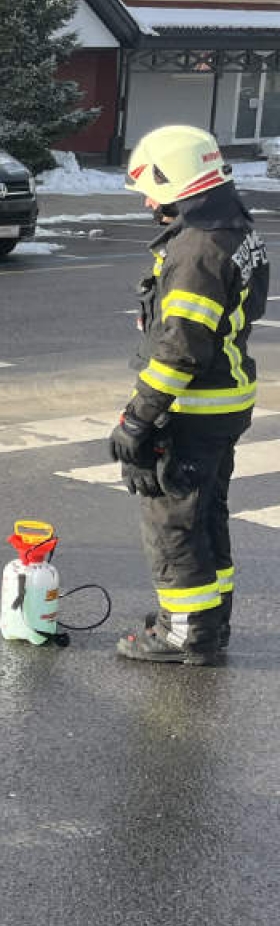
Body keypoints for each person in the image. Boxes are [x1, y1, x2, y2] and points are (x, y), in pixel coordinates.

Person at [108, 125, 267, 665]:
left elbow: (179, 351)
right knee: (206, 517)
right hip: (225, 401)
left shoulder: (196, 249)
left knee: (172, 522)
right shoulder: (235, 227)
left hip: (190, 410)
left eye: (153, 188)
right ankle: (207, 621)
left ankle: (183, 634)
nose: (150, 201)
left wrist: (138, 418)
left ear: (179, 180)